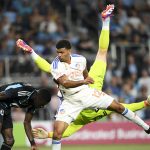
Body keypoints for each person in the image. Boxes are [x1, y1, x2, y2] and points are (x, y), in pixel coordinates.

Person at [16, 4, 150, 150]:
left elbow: (85, 74)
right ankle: (105, 21)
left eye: (61, 52)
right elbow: (65, 83)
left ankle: (146, 127)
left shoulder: (80, 60)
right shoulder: (57, 66)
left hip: (89, 90)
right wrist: (145, 104)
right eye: (58, 53)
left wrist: (86, 79)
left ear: (68, 51)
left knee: (103, 56)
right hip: (77, 95)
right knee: (103, 53)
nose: (58, 55)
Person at [0, 82, 51, 150]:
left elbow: (27, 122)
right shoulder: (24, 90)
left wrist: (33, 144)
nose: (42, 106)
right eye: (43, 104)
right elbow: (3, 94)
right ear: (39, 98)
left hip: (6, 107)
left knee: (9, 141)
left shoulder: (34, 104)